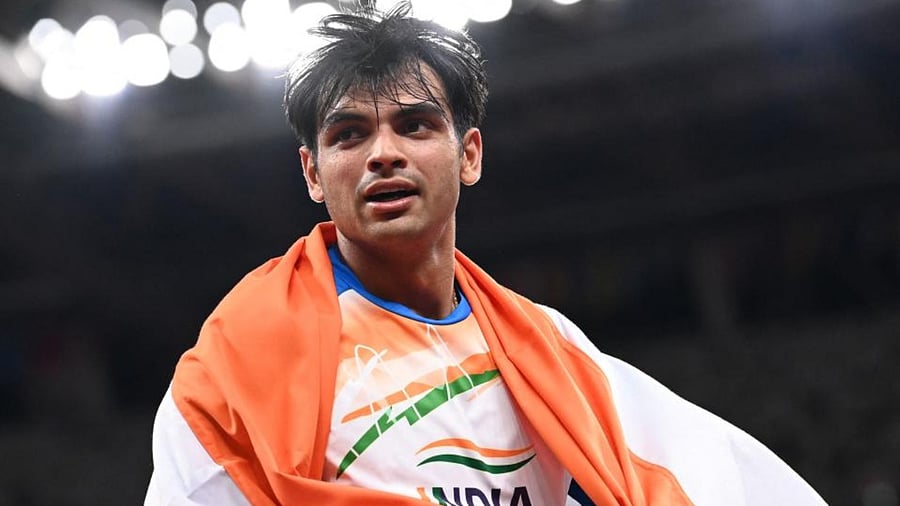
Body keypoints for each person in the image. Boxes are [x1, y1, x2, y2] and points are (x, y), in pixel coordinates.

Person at [144, 3, 826, 505]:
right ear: (313, 173)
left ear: (468, 154)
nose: (383, 153)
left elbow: (722, 485)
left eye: (415, 125)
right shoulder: (238, 366)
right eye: (349, 134)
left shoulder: (554, 353)